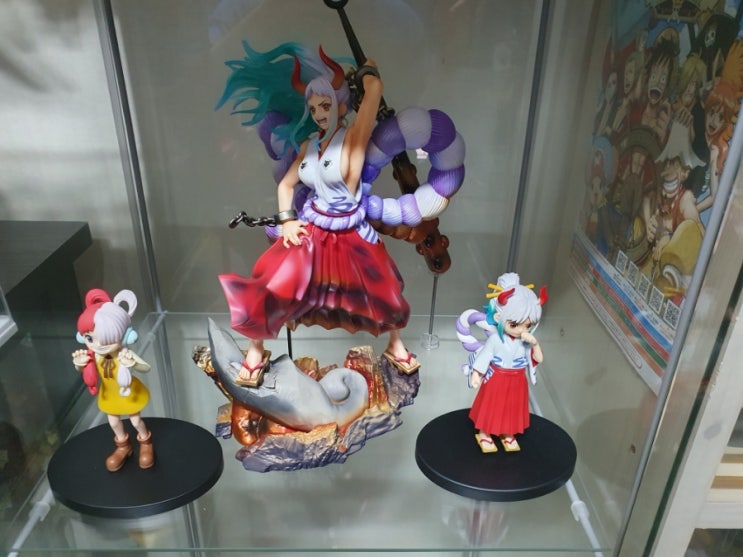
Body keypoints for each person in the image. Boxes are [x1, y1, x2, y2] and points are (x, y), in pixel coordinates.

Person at [217, 43, 419, 387]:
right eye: (312, 108)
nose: (319, 113)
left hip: (351, 234)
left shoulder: (353, 139)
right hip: (312, 229)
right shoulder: (309, 145)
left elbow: (374, 91)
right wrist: (287, 220)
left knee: (384, 289)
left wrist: (367, 70)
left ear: (340, 105)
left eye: (325, 105)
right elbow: (286, 184)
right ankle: (255, 350)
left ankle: (395, 344)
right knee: (273, 280)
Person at [71, 289, 154, 472]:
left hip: (128, 393)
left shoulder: (123, 354)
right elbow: (83, 369)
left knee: (136, 421)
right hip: (109, 395)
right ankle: (123, 446)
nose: (98, 345)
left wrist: (132, 363)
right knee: (114, 423)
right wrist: (79, 363)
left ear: (126, 335)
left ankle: (145, 442)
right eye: (90, 338)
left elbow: (146, 368)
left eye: (107, 339)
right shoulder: (94, 355)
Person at [466, 273, 546, 453]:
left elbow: (538, 359)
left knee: (513, 407)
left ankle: (509, 432)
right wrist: (477, 374)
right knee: (492, 405)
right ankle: (485, 432)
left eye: (528, 325)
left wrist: (535, 343)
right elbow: (484, 357)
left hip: (518, 379)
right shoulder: (495, 340)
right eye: (515, 324)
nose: (522, 330)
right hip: (497, 377)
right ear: (498, 317)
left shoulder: (526, 341)